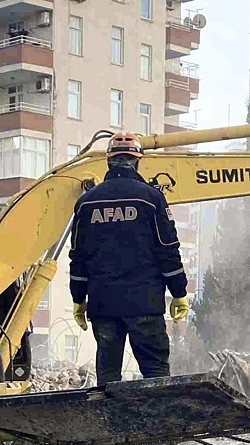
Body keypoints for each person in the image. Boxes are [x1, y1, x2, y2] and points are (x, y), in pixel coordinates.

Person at [69, 132, 189, 387]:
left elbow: (78, 258)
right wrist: (179, 291)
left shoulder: (86, 203)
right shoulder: (151, 198)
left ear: (108, 162)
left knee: (108, 376)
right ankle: (156, 425)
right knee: (155, 374)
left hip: (103, 305)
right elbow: (167, 249)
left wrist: (78, 299)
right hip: (144, 303)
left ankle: (109, 424)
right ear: (137, 161)